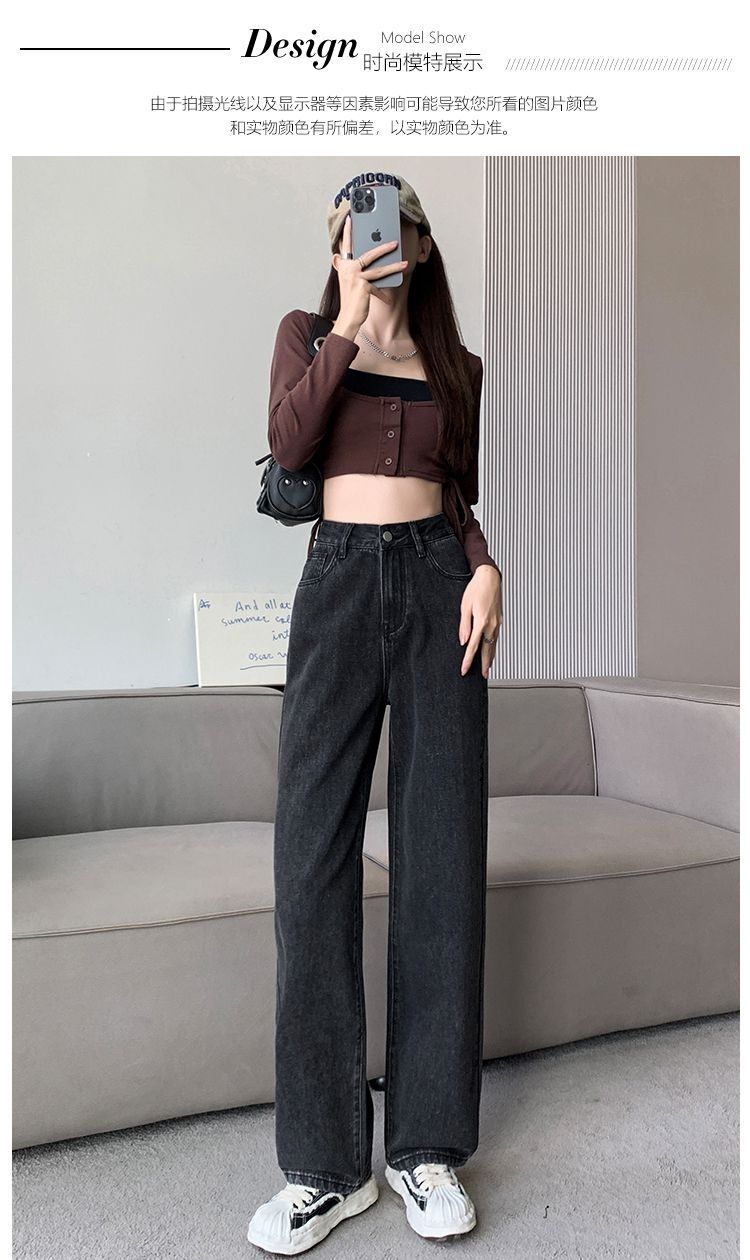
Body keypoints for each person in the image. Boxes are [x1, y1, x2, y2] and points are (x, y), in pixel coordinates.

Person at [247, 173, 503, 1255]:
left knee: (442, 856)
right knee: (311, 858)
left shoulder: (458, 367)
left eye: (394, 226)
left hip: (443, 587)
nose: (377, 240)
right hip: (340, 585)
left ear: (424, 244)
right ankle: (324, 1167)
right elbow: (290, 446)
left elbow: (457, 494)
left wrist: (485, 567)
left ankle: (425, 1149)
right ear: (340, 244)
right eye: (356, 228)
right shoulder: (306, 335)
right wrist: (349, 319)